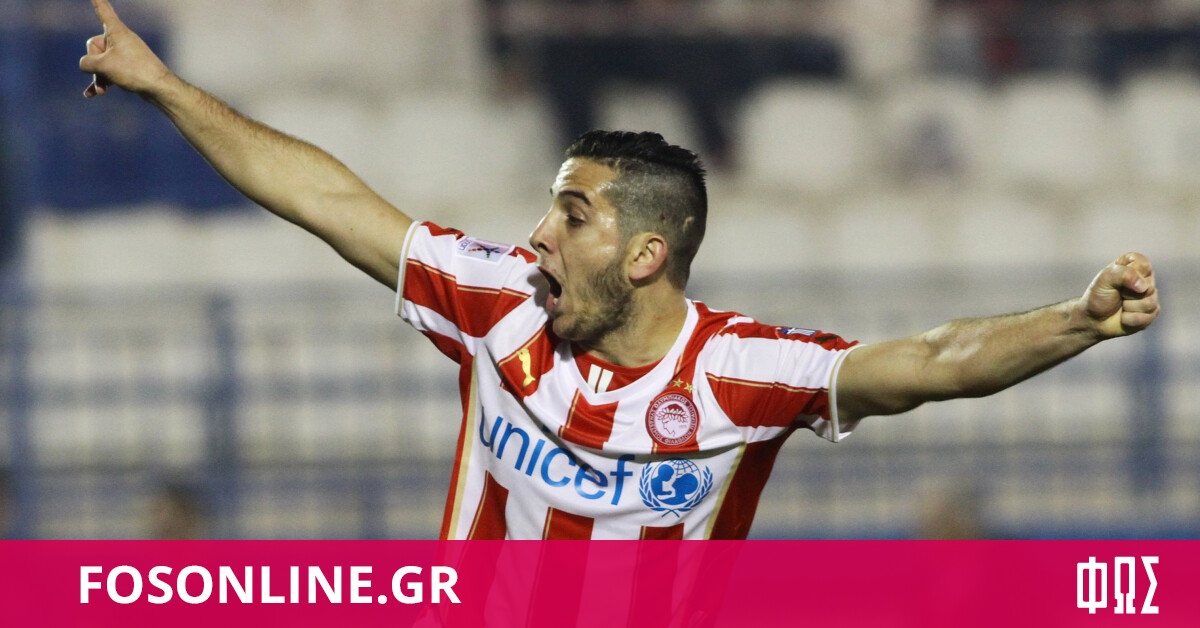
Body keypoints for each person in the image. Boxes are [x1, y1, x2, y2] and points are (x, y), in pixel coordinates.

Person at [79, 0, 1160, 540]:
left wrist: (1078, 319)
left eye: (571, 214)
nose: (537, 236)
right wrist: (167, 86)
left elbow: (931, 361)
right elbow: (328, 201)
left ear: (647, 254)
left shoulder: (739, 372)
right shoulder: (498, 302)